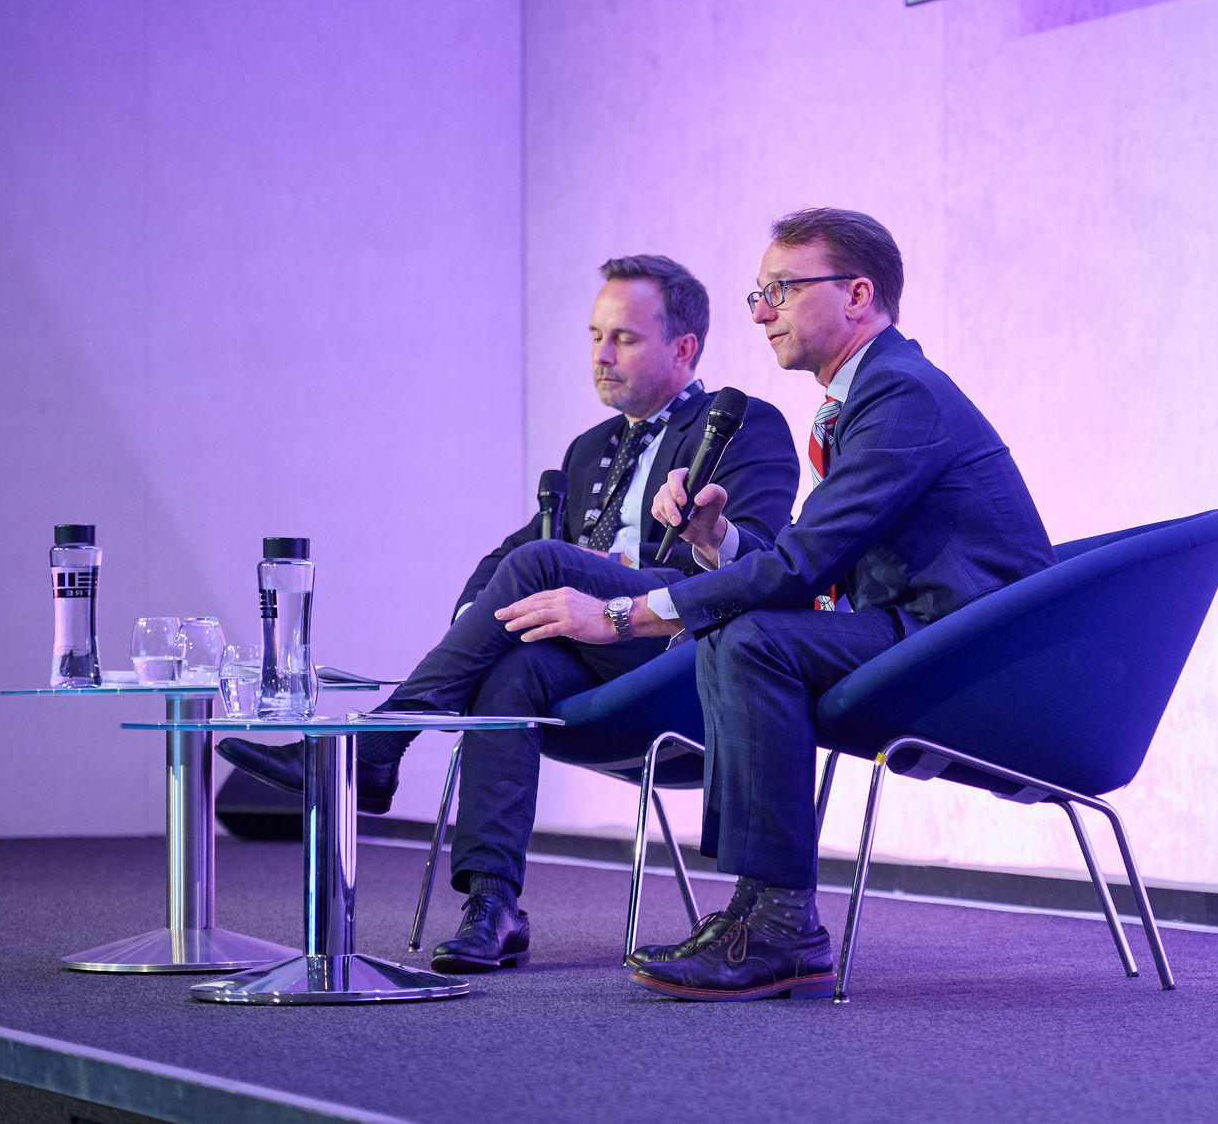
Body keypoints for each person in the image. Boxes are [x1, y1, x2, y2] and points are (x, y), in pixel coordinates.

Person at [492, 208, 1055, 1000]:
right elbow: (816, 560)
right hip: (925, 631)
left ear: (857, 295)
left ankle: (781, 920)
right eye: (759, 293)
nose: (760, 314)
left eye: (782, 290)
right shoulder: (869, 394)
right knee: (742, 632)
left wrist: (626, 615)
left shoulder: (902, 394)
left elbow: (804, 564)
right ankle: (760, 908)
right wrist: (716, 539)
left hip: (977, 651)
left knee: (753, 639)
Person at [218, 254, 799, 972]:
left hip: (683, 656)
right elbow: (506, 556)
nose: (601, 354)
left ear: (684, 348)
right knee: (512, 669)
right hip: (593, 661)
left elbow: (755, 564)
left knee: (543, 562)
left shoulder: (743, 426)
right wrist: (481, 619)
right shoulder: (590, 449)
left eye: (624, 338)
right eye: (595, 336)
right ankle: (492, 905)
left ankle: (380, 743)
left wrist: (611, 576)